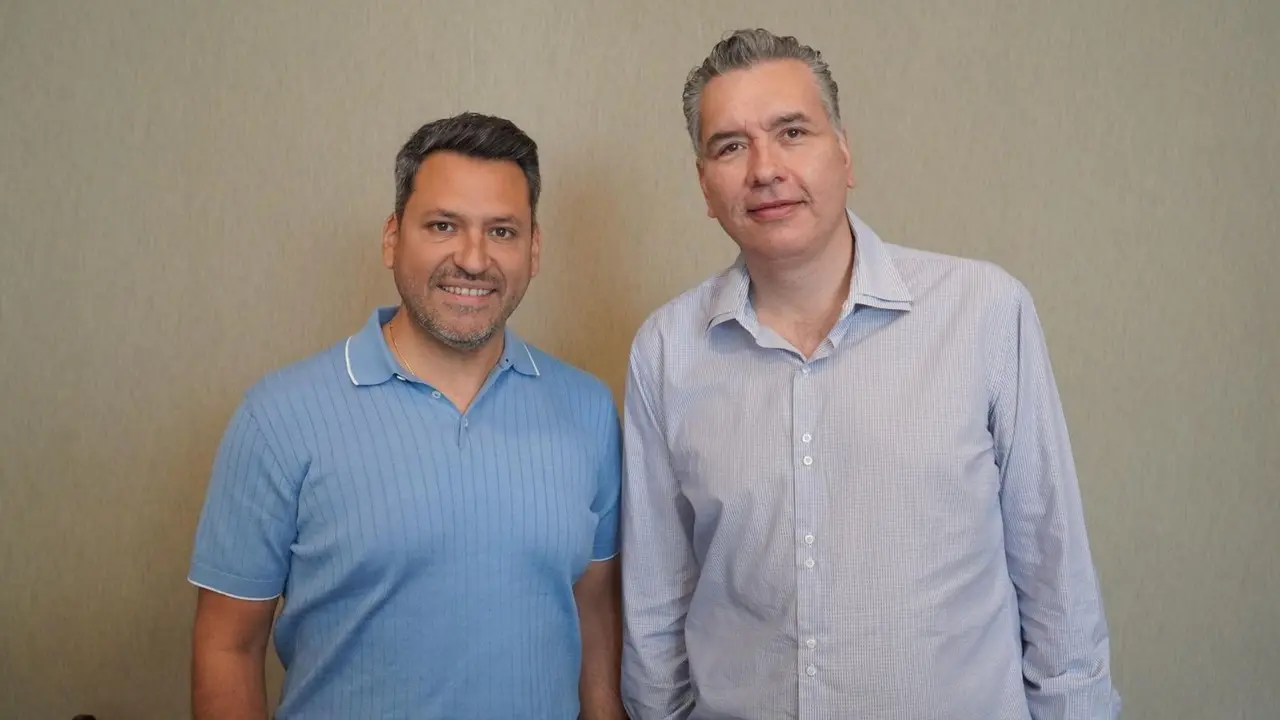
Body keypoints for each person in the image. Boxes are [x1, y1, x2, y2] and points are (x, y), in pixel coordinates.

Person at [619, 29, 1120, 719]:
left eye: (792, 132)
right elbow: (656, 603)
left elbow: (1054, 573)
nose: (765, 168)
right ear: (705, 184)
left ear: (845, 153)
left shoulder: (983, 313)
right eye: (730, 146)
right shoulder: (666, 350)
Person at [188, 112, 625, 719]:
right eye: (443, 225)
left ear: (535, 247)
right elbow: (227, 646)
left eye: (502, 231)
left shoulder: (589, 410)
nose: (473, 260)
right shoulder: (278, 418)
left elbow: (593, 612)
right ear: (392, 236)